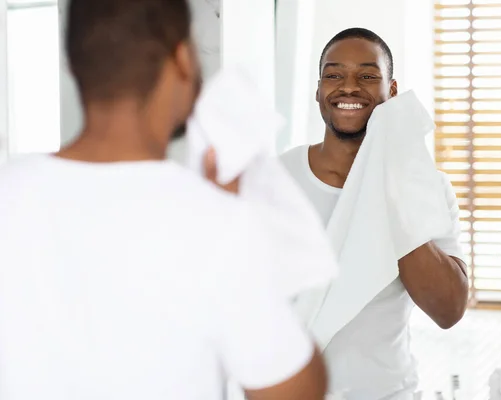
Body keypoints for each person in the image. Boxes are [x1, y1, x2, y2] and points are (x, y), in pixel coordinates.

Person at [0, 1, 327, 399]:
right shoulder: (218, 221)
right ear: (183, 60)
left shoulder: (10, 196)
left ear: (73, 64)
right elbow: (294, 392)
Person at [280, 28, 469, 399]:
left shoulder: (424, 186)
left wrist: (390, 191)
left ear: (392, 91)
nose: (349, 86)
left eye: (367, 75)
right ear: (318, 90)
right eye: (334, 75)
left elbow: (448, 310)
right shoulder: (276, 180)